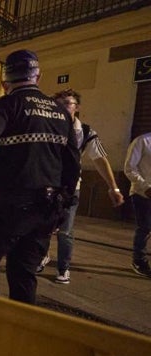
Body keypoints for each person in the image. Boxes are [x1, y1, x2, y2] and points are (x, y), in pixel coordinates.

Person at [0, 49, 80, 304]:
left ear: (4, 82)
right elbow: (73, 162)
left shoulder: (6, 106)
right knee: (23, 273)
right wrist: (64, 202)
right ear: (38, 77)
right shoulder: (61, 112)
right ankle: (20, 332)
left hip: (6, 206)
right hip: (46, 208)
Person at [36, 88, 124, 283]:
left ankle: (63, 267)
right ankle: (42, 256)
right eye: (59, 104)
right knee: (43, 226)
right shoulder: (45, 127)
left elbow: (100, 159)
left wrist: (114, 187)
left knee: (65, 231)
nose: (62, 107)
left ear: (77, 107)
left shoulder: (85, 132)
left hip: (70, 187)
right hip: (46, 185)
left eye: (68, 103)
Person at [124, 132, 151, 278]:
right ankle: (139, 260)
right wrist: (146, 186)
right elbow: (129, 167)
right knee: (145, 227)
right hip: (143, 194)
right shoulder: (142, 141)